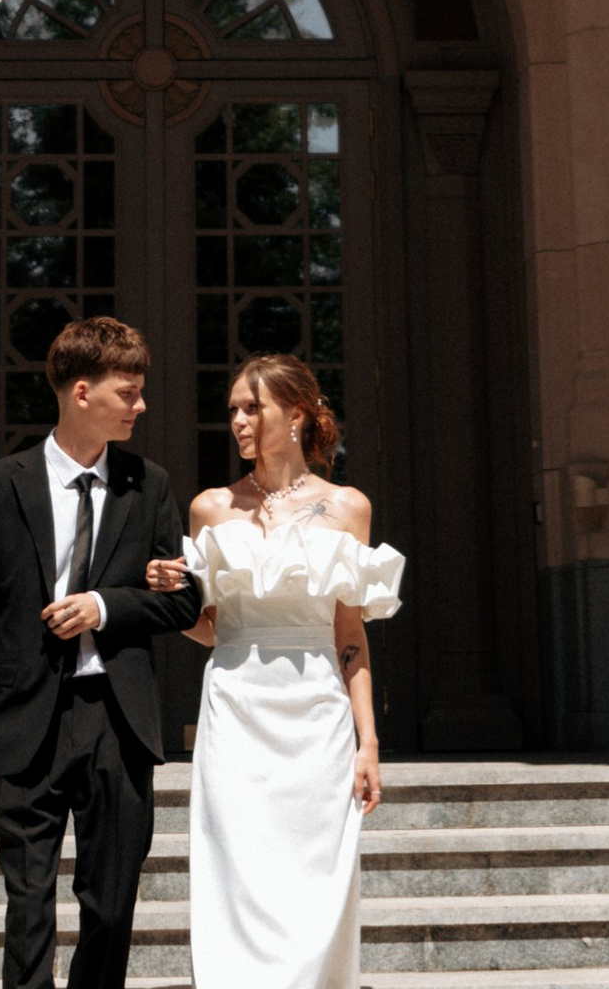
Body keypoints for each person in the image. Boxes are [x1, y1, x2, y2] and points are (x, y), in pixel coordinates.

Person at [0, 315, 202, 989]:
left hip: (118, 722)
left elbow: (183, 602)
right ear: (82, 393)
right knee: (28, 908)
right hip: (22, 721)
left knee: (111, 904)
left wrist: (105, 605)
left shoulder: (149, 486)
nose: (142, 406)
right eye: (130, 392)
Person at [146, 353, 406, 989]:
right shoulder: (210, 508)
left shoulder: (348, 507)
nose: (237, 420)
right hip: (235, 704)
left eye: (251, 407)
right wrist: (166, 603)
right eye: (232, 408)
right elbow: (210, 627)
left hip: (316, 710)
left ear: (296, 415)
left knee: (315, 872)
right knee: (238, 865)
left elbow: (350, 635)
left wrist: (367, 740)